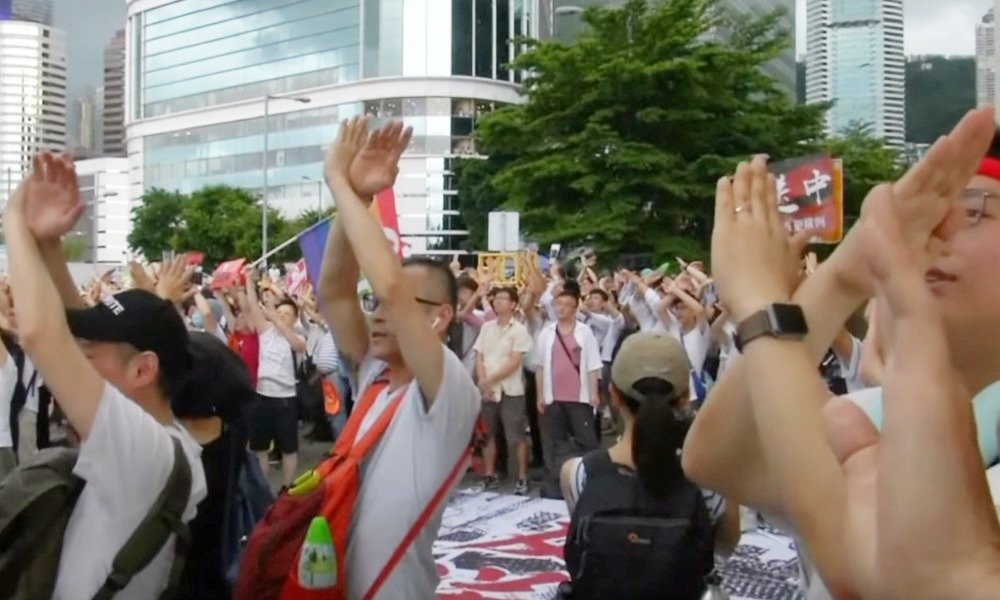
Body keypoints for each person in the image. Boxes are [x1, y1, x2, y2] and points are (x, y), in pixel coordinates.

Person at [683, 107, 1000, 598]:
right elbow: (720, 456)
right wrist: (845, 273)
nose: (936, 235)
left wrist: (763, 304)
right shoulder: (872, 414)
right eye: (924, 216)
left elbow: (872, 561)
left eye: (972, 208)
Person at [4, 152, 206, 598]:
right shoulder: (158, 437)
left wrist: (13, 222)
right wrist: (48, 245)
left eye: (91, 353)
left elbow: (43, 334)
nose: (80, 358)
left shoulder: (145, 451)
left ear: (142, 369)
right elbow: (75, 323)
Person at [317, 116, 479, 598]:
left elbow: (387, 283)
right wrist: (360, 198)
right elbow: (336, 291)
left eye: (404, 307)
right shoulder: (375, 377)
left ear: (441, 317)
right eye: (380, 307)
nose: (382, 313)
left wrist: (338, 182)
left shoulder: (447, 387)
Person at [560, 331, 740, 554]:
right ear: (684, 398)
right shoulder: (711, 481)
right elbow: (724, 548)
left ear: (613, 395)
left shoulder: (578, 474)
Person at [533, 288, 603, 491]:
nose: (561, 308)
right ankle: (557, 483)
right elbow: (540, 367)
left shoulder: (584, 331)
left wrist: (594, 393)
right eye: (558, 304)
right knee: (556, 442)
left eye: (566, 304)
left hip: (579, 397)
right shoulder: (547, 332)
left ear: (574, 308)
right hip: (553, 396)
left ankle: (590, 481)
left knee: (586, 440)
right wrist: (540, 395)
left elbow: (592, 365)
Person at [244, 274, 306, 488]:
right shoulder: (265, 331)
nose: (281, 316)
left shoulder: (299, 337)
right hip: (263, 395)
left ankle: (286, 489)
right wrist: (248, 282)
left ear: (295, 318)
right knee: (260, 447)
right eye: (279, 312)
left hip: (286, 399)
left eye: (287, 314)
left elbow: (297, 345)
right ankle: (262, 487)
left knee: (289, 448)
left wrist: (276, 317)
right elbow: (252, 305)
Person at [474, 285, 533, 494]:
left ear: (513, 304)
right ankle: (490, 474)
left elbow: (515, 361)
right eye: (495, 298)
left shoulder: (519, 329)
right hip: (488, 390)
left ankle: (522, 477)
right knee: (488, 434)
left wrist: (488, 380)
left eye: (503, 299)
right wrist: (483, 380)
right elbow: (479, 356)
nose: (497, 302)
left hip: (510, 389)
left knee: (515, 435)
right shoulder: (486, 328)